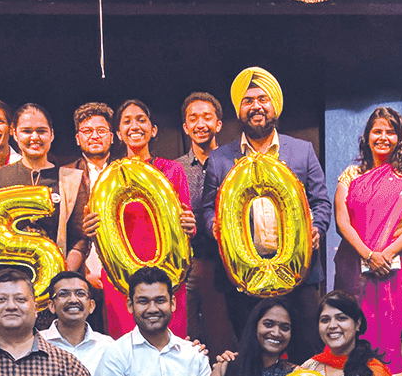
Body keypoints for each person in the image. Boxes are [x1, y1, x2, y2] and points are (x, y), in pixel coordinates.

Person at [200, 67, 334, 340]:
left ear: (275, 106)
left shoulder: (302, 150)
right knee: (251, 351)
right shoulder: (220, 158)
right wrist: (212, 224)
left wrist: (317, 228)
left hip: (300, 273)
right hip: (242, 276)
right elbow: (206, 208)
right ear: (239, 110)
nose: (256, 106)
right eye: (248, 101)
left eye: (263, 99)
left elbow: (321, 201)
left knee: (304, 348)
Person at [332, 106, 402, 366]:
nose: (383, 137)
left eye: (390, 132)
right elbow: (342, 222)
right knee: (356, 326)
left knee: (397, 330)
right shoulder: (351, 176)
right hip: (357, 268)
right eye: (377, 131)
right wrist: (369, 255)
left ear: (399, 137)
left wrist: (385, 254)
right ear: (367, 136)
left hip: (397, 270)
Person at [95, 99, 198, 339]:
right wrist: (90, 230)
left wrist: (190, 225)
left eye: (141, 120)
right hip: (121, 278)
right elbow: (98, 226)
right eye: (127, 121)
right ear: (118, 133)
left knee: (170, 343)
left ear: (153, 130)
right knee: (126, 347)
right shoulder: (107, 178)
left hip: (167, 272)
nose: (135, 126)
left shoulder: (172, 170)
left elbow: (186, 223)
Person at [0, 103, 92, 270]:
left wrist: (64, 274)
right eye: (27, 131)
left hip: (60, 281)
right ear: (15, 134)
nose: (34, 137)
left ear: (52, 135)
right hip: (9, 280)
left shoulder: (71, 179)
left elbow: (81, 238)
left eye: (41, 131)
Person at [176, 90, 233, 352]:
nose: (201, 124)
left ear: (218, 124)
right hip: (185, 265)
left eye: (207, 117)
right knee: (186, 338)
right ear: (186, 127)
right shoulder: (175, 168)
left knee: (223, 339)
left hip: (222, 265)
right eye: (193, 119)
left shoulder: (233, 165)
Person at [38, 270, 112, 376]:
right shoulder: (36, 344)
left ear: (91, 306)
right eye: (64, 294)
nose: (73, 300)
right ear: (52, 306)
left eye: (80, 293)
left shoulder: (107, 346)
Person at [68, 102, 118, 189]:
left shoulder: (124, 171)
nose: (95, 136)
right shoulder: (65, 174)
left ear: (111, 137)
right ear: (77, 139)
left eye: (101, 131)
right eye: (87, 131)